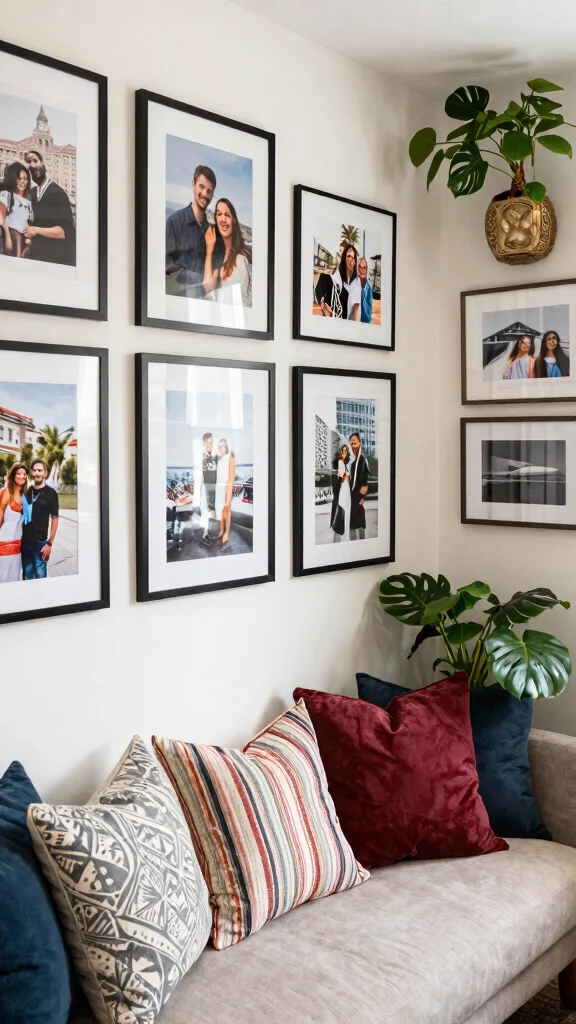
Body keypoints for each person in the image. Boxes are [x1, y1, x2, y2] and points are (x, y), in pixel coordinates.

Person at [165, 164, 218, 298]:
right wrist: (199, 281)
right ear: (193, 184)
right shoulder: (174, 221)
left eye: (209, 191)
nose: (205, 194)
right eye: (201, 186)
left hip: (205, 300)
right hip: (180, 299)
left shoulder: (211, 233)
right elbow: (166, 265)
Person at [24, 151, 75, 265]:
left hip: (56, 259)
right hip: (37, 256)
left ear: (44, 164)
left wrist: (36, 230)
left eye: (35, 161)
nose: (32, 165)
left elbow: (63, 233)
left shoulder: (58, 193)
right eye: (29, 162)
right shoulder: (33, 193)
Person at [203, 198, 252, 307]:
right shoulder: (218, 253)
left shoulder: (240, 259)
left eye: (227, 215)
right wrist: (209, 248)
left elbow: (237, 301)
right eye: (219, 214)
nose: (223, 219)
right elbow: (208, 287)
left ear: (234, 220)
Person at [21, 459, 59, 580]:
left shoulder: (51, 493)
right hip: (25, 542)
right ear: (31, 473)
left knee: (40, 577)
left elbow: (55, 519)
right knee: (27, 575)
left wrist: (49, 544)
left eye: (40, 470)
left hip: (40, 543)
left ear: (45, 473)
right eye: (34, 470)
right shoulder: (28, 491)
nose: (37, 473)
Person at [0, 463, 28, 583]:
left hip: (18, 541)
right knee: (3, 574)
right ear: (13, 475)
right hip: (4, 539)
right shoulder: (6, 492)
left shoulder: (26, 495)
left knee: (15, 574)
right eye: (19, 473)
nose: (22, 476)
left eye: (24, 474)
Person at [0, 162, 33, 257]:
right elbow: (1, 218)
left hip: (25, 241)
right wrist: (7, 235)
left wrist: (28, 243)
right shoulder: (6, 195)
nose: (22, 182)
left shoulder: (29, 202)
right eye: (19, 178)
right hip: (10, 237)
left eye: (25, 179)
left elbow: (30, 224)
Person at [195, 433, 218, 547]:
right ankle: (204, 536)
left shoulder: (214, 457)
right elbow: (199, 476)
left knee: (212, 512)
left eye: (212, 442)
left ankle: (208, 533)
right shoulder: (201, 457)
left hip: (214, 487)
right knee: (204, 512)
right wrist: (199, 492)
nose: (211, 444)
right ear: (204, 443)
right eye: (209, 442)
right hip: (205, 487)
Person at [215, 439, 237, 547]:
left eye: (222, 446)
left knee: (227, 512)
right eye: (219, 446)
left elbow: (231, 478)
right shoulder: (219, 459)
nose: (220, 448)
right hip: (219, 489)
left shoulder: (230, 459)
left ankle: (226, 534)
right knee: (220, 511)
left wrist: (228, 495)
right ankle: (221, 529)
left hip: (226, 489)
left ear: (226, 447)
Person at [348, 432, 369, 541]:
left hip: (358, 495)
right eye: (351, 441)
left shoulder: (362, 459)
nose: (352, 442)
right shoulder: (352, 460)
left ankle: (362, 543)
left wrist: (363, 497)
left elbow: (365, 480)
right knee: (352, 522)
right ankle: (353, 545)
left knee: (359, 522)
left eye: (354, 440)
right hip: (351, 495)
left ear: (359, 442)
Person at [330, 443, 351, 542]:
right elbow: (340, 477)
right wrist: (344, 476)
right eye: (343, 451)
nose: (344, 453)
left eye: (346, 451)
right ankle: (339, 529)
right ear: (341, 452)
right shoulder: (340, 462)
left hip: (347, 488)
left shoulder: (347, 464)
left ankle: (345, 531)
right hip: (342, 488)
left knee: (347, 509)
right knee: (341, 507)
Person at [358, 257, 373, 324]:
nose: (362, 270)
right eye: (360, 267)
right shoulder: (354, 284)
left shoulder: (369, 286)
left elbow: (369, 310)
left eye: (364, 267)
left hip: (366, 323)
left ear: (367, 269)